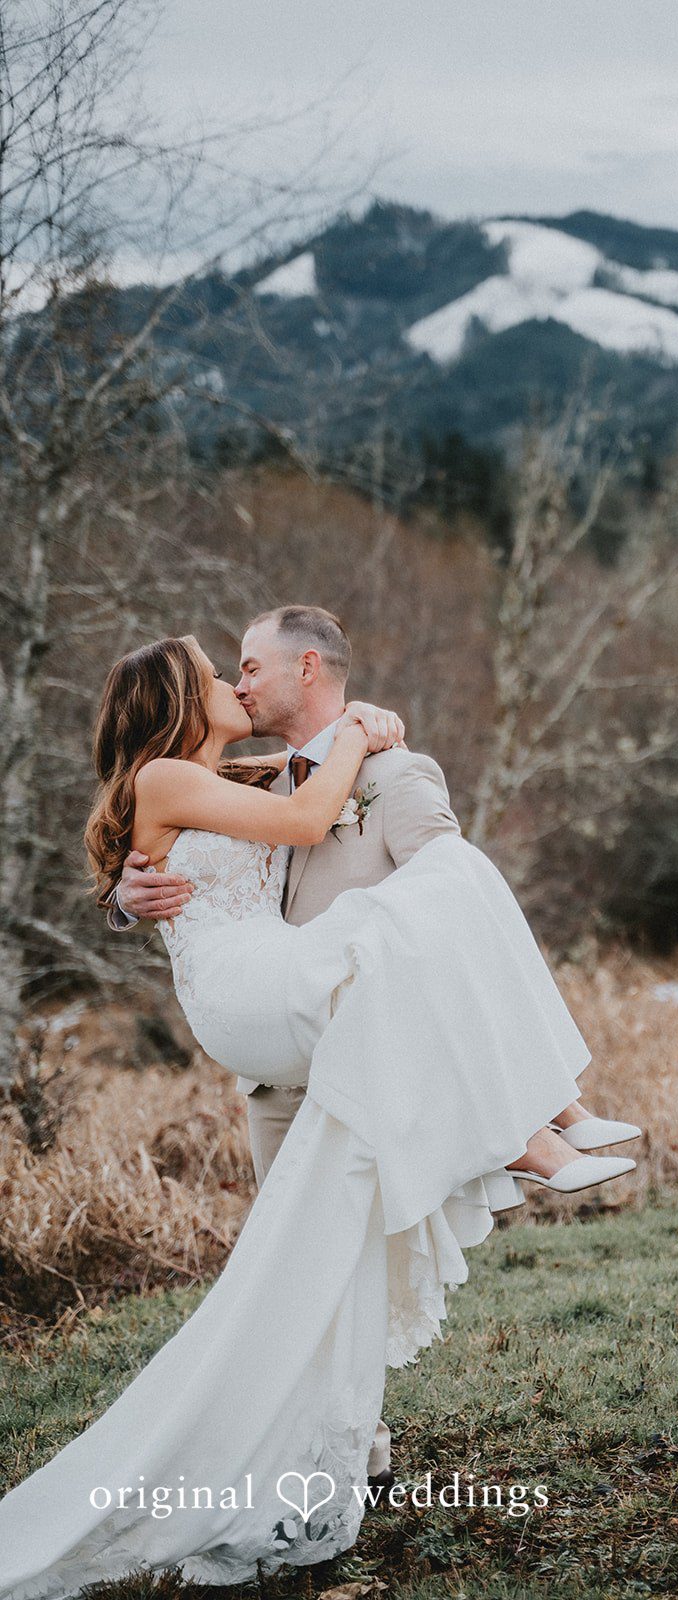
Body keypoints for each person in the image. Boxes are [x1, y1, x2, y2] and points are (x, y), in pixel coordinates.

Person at [0, 633, 638, 1598]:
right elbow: (298, 823)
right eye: (215, 674)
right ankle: (528, 1133)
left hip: (303, 1003)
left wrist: (362, 729)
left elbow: (290, 799)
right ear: (179, 699)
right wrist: (128, 897)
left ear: (304, 668)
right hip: (257, 998)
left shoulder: (246, 773)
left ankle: (333, 1452)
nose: (233, 682)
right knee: (419, 911)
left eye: (244, 667)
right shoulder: (171, 776)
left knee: (315, 1258)